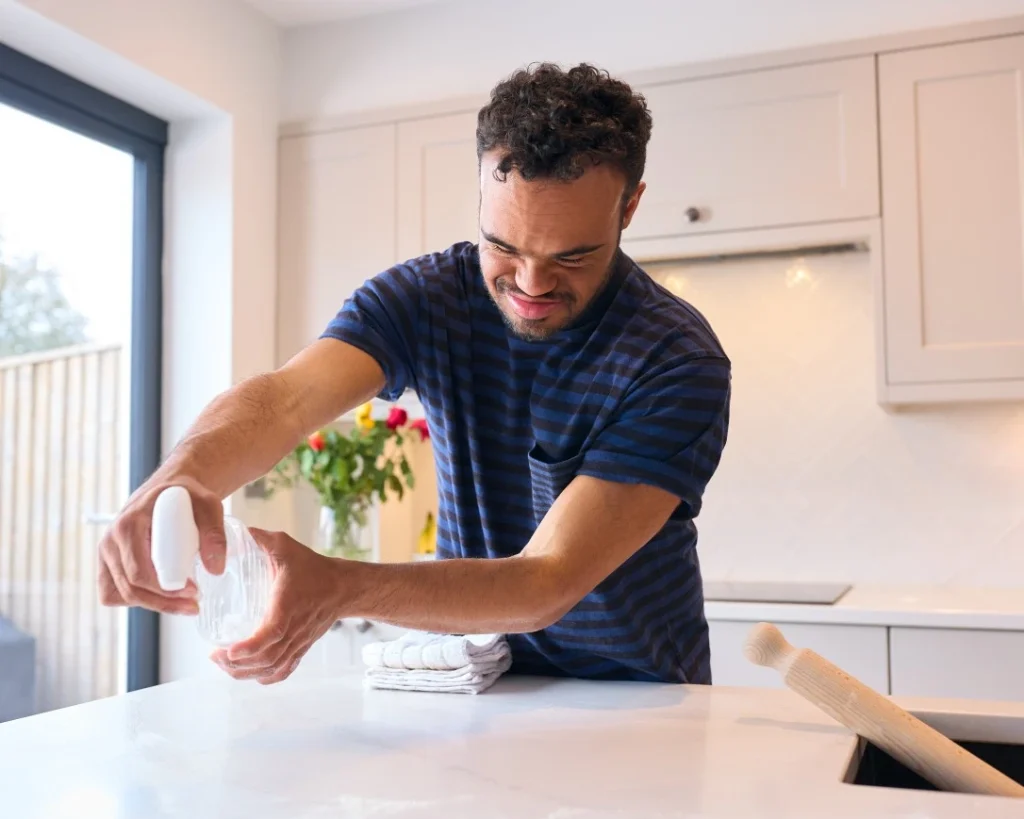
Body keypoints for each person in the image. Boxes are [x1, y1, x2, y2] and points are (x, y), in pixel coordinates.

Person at [98, 62, 731, 687]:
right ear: (481, 189)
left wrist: (339, 587)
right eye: (504, 246)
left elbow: (547, 580)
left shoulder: (674, 358)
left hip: (636, 697)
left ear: (630, 207)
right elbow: (284, 401)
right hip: (473, 677)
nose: (531, 285)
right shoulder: (425, 297)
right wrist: (183, 476)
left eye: (572, 256)